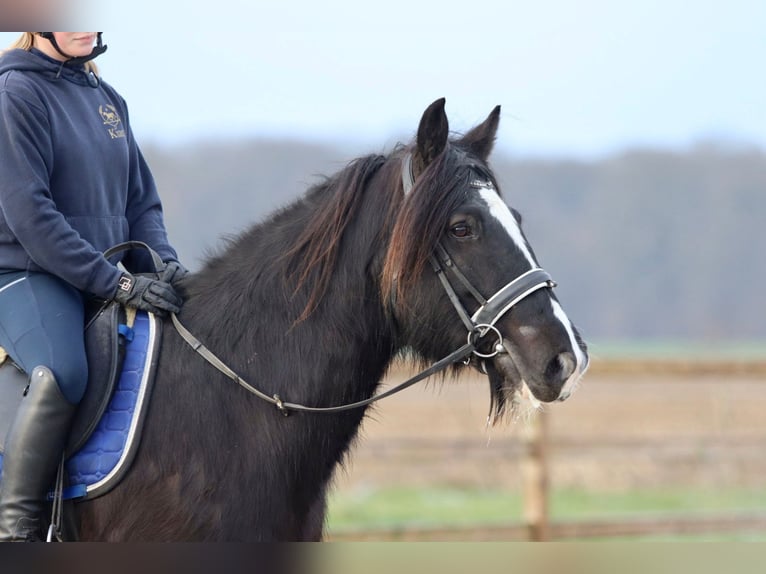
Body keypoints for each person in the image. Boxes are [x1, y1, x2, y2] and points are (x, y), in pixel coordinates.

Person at [0, 32, 186, 541]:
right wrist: (118, 281)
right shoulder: (15, 93)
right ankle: (15, 528)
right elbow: (33, 219)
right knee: (61, 372)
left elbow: (141, 201)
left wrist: (163, 262)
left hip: (104, 274)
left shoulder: (106, 99)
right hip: (28, 273)